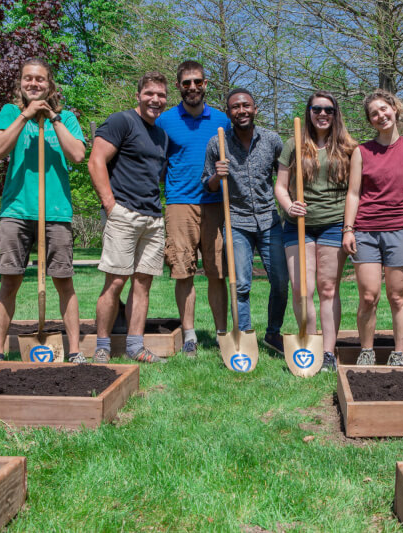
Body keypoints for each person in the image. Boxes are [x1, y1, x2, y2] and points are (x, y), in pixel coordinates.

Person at [0, 58, 86, 363]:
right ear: (20, 83)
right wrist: (26, 115)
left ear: (50, 84)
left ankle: (74, 351)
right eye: (28, 79)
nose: (34, 83)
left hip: (55, 212)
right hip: (17, 210)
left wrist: (53, 119)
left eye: (40, 79)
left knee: (64, 281)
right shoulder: (9, 113)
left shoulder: (66, 118)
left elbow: (78, 155)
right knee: (10, 281)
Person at [342, 89, 403, 366]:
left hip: (401, 230)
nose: (381, 116)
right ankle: (366, 351)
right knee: (369, 296)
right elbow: (354, 193)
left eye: (384, 109)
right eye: (374, 114)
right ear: (370, 122)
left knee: (397, 297)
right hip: (366, 231)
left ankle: (400, 354)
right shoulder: (361, 152)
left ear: (394, 108)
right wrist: (348, 229)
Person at [88, 72, 170, 364]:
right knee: (115, 282)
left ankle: (136, 347)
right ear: (138, 95)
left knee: (143, 283)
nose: (155, 100)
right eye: (150, 93)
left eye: (161, 95)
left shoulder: (161, 135)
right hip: (123, 213)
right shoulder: (121, 121)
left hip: (152, 217)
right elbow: (96, 160)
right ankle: (102, 346)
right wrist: (110, 205)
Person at [274, 91, 357, 371]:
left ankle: (329, 353)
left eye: (328, 110)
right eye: (317, 109)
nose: (323, 114)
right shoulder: (293, 144)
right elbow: (280, 187)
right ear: (309, 112)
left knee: (328, 289)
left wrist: (348, 227)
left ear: (336, 114)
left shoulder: (348, 147)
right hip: (299, 226)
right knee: (301, 288)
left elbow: (354, 191)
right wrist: (288, 206)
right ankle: (308, 344)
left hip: (334, 224)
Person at [201, 88, 288, 354]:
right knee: (240, 284)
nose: (241, 111)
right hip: (236, 221)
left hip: (269, 220)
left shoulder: (272, 140)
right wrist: (218, 175)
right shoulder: (218, 142)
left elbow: (284, 178)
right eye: (235, 107)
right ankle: (245, 336)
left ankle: (272, 333)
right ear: (228, 113)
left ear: (255, 109)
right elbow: (207, 185)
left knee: (281, 281)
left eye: (246, 106)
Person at [156, 61, 230, 358]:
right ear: (179, 87)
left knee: (217, 272)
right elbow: (157, 162)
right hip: (179, 203)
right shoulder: (165, 121)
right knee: (183, 271)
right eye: (186, 83)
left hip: (215, 204)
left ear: (206, 84)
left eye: (197, 82)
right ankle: (189, 337)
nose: (192, 88)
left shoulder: (222, 119)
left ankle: (222, 333)